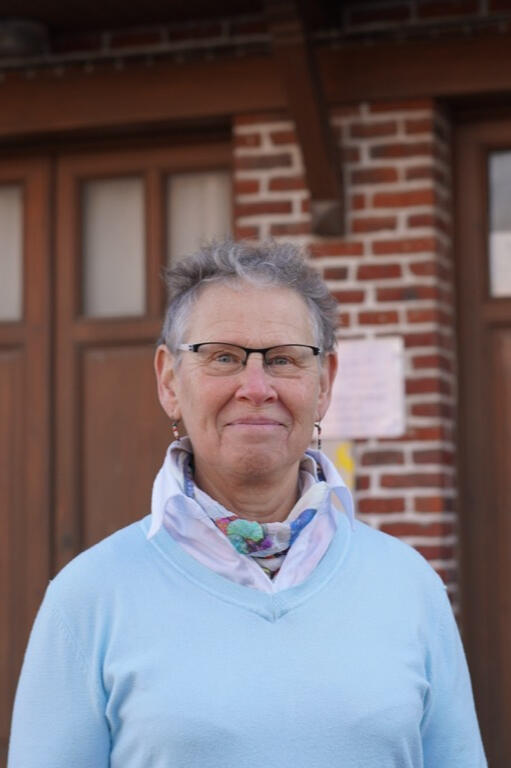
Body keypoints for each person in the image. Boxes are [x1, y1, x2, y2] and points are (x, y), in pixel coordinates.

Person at [8, 240, 486, 767]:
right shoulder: (88, 597)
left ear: (324, 383)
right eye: (222, 357)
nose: (256, 388)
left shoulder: (409, 586)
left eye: (283, 359)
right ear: (169, 381)